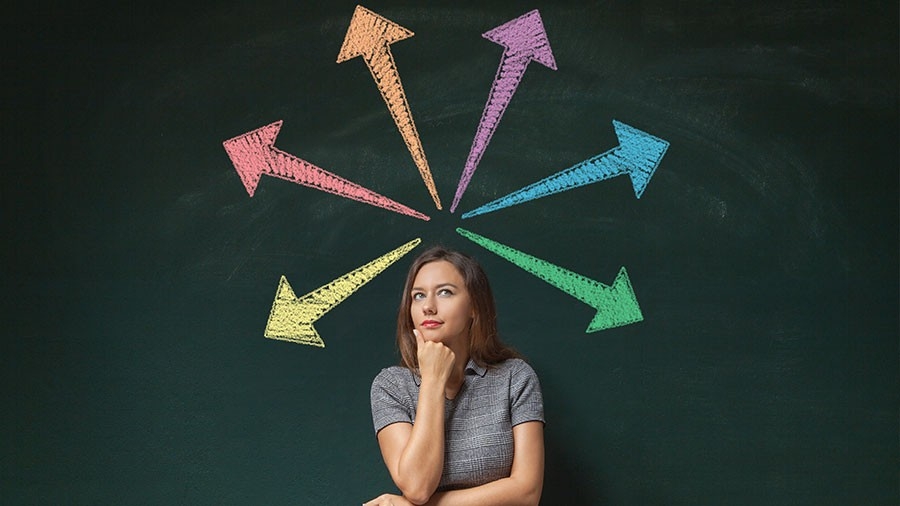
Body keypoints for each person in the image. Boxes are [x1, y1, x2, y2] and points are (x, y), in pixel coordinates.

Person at [365, 246, 545, 506]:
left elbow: (527, 493)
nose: (428, 307)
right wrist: (432, 380)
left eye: (445, 292)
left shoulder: (514, 377)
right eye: (418, 296)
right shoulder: (391, 386)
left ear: (474, 306)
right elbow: (417, 488)